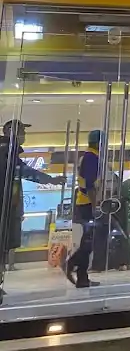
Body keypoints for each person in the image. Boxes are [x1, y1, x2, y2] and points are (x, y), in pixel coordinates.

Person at [0, 121, 57, 289]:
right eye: (22, 131)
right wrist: (50, 180)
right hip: (5, 209)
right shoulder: (6, 152)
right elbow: (24, 172)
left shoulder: (7, 151)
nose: (24, 135)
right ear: (11, 132)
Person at [64, 129, 102, 288]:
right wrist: (95, 206)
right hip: (87, 204)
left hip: (84, 203)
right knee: (88, 242)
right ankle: (71, 263)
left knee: (88, 242)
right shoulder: (91, 157)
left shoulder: (89, 156)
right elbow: (90, 185)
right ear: (99, 143)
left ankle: (82, 278)